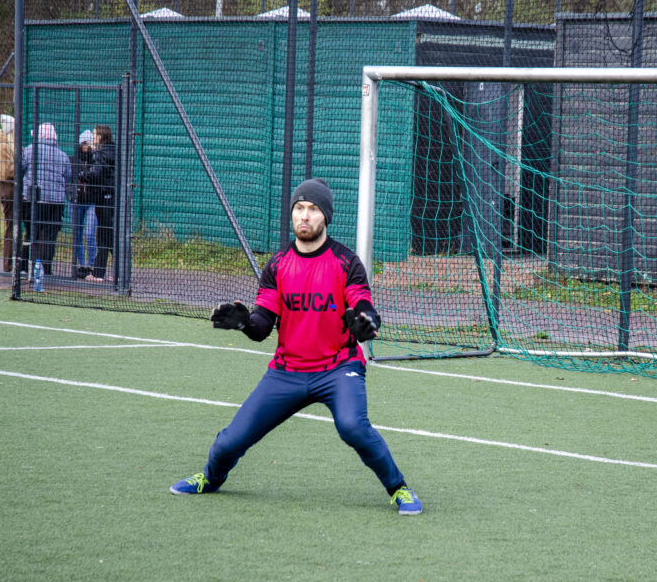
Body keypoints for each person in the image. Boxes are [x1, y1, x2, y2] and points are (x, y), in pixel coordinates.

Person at [170, 178, 423, 515]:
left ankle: (399, 488)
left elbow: (362, 305)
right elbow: (262, 325)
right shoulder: (277, 265)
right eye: (299, 208)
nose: (304, 216)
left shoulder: (346, 262)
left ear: (325, 216)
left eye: (313, 209)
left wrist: (366, 322)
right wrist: (245, 323)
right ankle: (211, 478)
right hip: (286, 373)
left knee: (353, 428)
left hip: (337, 369)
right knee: (230, 441)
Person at [20, 122, 70, 276]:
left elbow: (20, 169)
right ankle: (46, 269)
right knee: (50, 237)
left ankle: (24, 266)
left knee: (31, 233)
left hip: (33, 199)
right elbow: (68, 176)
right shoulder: (63, 156)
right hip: (56, 202)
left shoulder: (29, 151)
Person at [83, 124, 116, 283]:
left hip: (103, 197)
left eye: (95, 134)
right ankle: (120, 271)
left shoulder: (100, 153)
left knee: (103, 235)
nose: (93, 137)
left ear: (101, 136)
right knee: (109, 235)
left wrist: (83, 175)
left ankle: (98, 273)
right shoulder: (115, 151)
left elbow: (95, 173)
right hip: (114, 196)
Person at [69, 130, 98, 279]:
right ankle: (81, 265)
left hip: (92, 201)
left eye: (90, 143)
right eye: (85, 143)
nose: (87, 146)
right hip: (76, 202)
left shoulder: (96, 160)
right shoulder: (73, 160)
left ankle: (91, 265)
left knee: (90, 233)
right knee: (77, 233)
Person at [0, 114, 15, 272]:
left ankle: (11, 262)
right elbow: (7, 171)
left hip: (10, 188)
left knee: (12, 226)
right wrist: (20, 165)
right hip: (8, 188)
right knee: (11, 226)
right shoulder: (4, 147)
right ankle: (8, 264)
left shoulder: (5, 145)